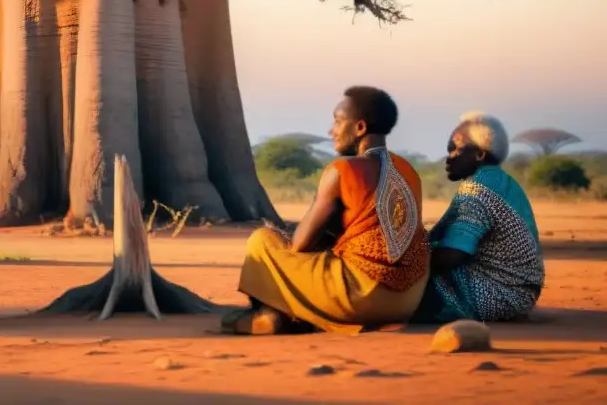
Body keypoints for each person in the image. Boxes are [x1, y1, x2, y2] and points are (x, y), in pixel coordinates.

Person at [225, 86, 429, 335]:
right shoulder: (408, 171)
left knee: (263, 241)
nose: (331, 130)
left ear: (360, 128)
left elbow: (300, 244)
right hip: (408, 300)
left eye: (338, 121)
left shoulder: (342, 170)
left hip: (361, 298)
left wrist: (284, 233)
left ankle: (270, 314)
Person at [414, 112, 544, 323]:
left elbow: (453, 255)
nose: (449, 157)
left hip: (498, 293)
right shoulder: (500, 181)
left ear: (479, 155)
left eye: (456, 148)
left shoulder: (478, 190)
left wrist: (405, 267)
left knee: (400, 296)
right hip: (520, 292)